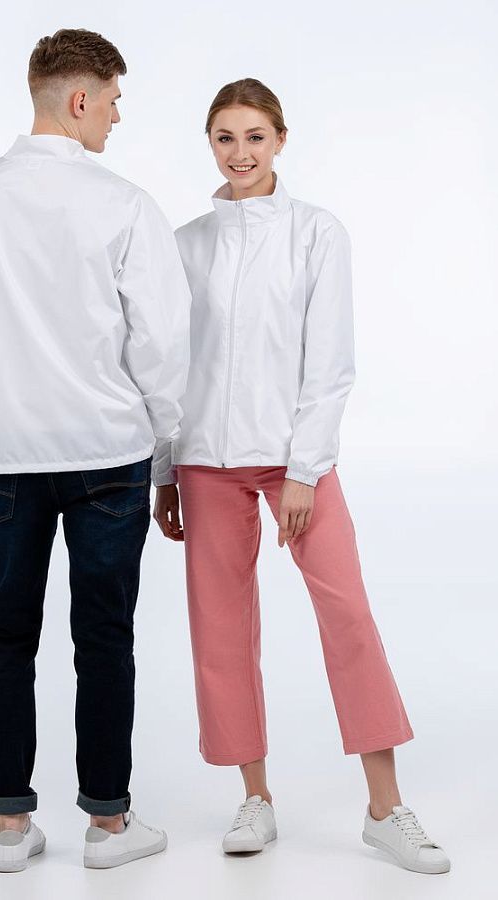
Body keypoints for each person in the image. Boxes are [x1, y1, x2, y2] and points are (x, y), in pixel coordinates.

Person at [153, 78, 450, 875]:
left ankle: (384, 808)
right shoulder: (185, 244)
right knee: (220, 629)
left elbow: (331, 360)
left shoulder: (317, 233)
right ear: (208, 143)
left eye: (254, 136)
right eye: (224, 137)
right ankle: (254, 797)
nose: (239, 152)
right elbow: (170, 365)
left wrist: (305, 468)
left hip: (292, 460)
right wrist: (163, 469)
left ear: (280, 140)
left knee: (346, 612)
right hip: (203, 460)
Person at [0, 28, 191, 872]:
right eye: (112, 100)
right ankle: (108, 828)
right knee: (103, 637)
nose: (116, 115)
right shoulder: (123, 205)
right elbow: (161, 345)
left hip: (4, 459)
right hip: (107, 452)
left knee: (4, 636)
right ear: (79, 99)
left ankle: (9, 828)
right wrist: (162, 443)